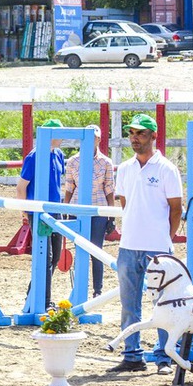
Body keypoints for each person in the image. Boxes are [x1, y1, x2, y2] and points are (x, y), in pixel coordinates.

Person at [109, 114, 182, 375]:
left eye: (140, 133)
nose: (134, 138)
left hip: (157, 248)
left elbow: (176, 209)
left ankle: (164, 356)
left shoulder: (166, 169)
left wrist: (165, 239)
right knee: (129, 304)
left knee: (162, 304)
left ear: (153, 136)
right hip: (129, 246)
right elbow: (125, 203)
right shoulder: (126, 168)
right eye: (131, 133)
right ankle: (132, 355)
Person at [17, 118, 65, 310]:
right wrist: (24, 212)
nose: (62, 137)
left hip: (56, 211)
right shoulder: (34, 156)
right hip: (39, 213)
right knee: (45, 257)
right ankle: (44, 301)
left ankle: (33, 295)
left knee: (54, 258)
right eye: (59, 133)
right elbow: (21, 187)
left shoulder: (59, 154)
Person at [63, 124, 115, 298]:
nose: (93, 140)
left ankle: (97, 290)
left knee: (97, 250)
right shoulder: (72, 162)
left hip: (97, 209)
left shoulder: (106, 162)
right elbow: (69, 187)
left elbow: (109, 189)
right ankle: (79, 287)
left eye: (95, 137)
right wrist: (65, 207)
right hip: (77, 208)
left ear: (99, 139)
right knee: (79, 248)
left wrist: (111, 215)